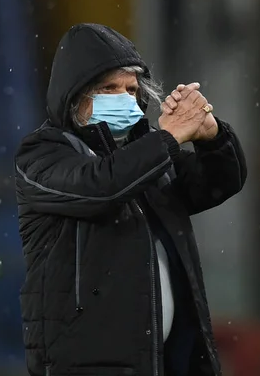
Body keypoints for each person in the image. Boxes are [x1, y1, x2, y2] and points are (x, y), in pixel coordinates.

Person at [14, 23, 247, 376]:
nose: (123, 98)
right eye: (108, 88)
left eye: (131, 89)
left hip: (163, 361)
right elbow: (103, 186)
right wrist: (168, 136)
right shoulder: (42, 154)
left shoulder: (148, 153)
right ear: (74, 96)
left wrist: (211, 136)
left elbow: (219, 182)